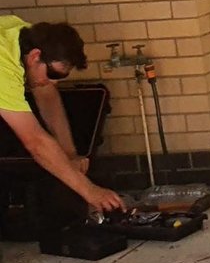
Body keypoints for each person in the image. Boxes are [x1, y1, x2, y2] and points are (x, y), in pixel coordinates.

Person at [0, 17, 124, 214]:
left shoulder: (23, 35)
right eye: (54, 74)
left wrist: (70, 155)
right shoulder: (3, 68)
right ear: (35, 56)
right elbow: (35, 141)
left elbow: (48, 98)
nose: (54, 82)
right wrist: (90, 191)